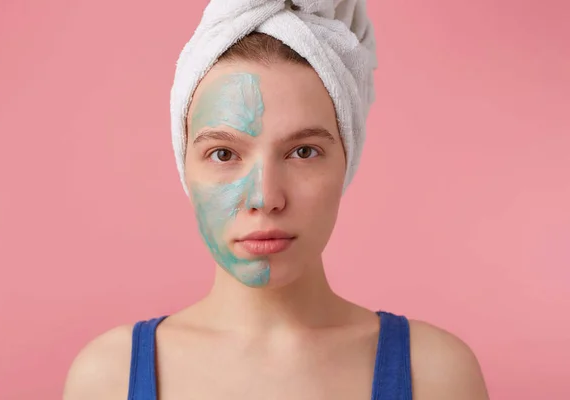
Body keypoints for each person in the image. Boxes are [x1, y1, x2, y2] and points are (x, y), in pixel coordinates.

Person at [63, 1, 490, 399]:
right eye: (224, 154)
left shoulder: (434, 375)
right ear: (185, 168)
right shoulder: (107, 378)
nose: (265, 197)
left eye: (303, 152)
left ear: (348, 160)